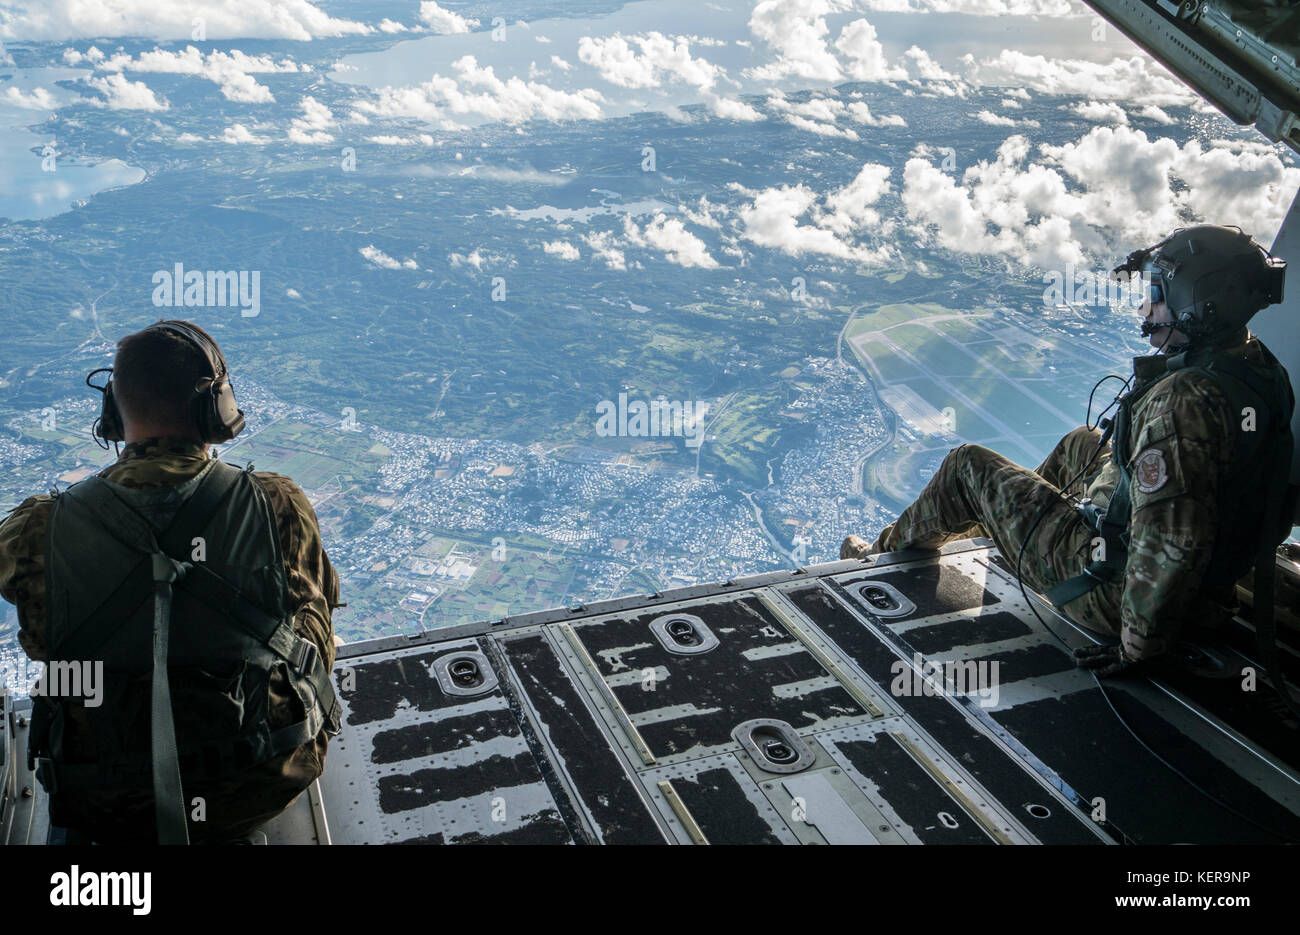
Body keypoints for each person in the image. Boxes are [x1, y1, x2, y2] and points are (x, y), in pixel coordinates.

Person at [841, 225, 1294, 676]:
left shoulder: (1182, 405)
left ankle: (875, 560)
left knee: (968, 466)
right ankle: (1006, 537)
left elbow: (1172, 541)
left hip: (1113, 589)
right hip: (1210, 581)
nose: (1144, 306)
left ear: (1199, 305)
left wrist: (1137, 649)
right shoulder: (1255, 366)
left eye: (1156, 293)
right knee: (1082, 443)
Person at [0, 320, 342, 843]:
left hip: (100, 796)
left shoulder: (36, 528)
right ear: (219, 409)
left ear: (113, 410)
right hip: (258, 780)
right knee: (311, 609)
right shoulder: (278, 504)